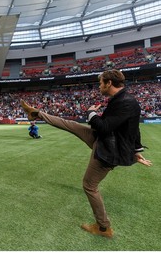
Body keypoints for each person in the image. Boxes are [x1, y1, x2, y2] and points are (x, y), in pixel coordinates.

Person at [20, 69, 152, 239]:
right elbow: (132, 128)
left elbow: (104, 126)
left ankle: (104, 228)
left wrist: (90, 113)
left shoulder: (125, 102)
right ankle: (36, 113)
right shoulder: (122, 99)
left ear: (109, 83)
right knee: (71, 125)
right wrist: (137, 150)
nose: (99, 86)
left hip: (109, 150)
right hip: (104, 140)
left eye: (100, 83)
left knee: (89, 186)